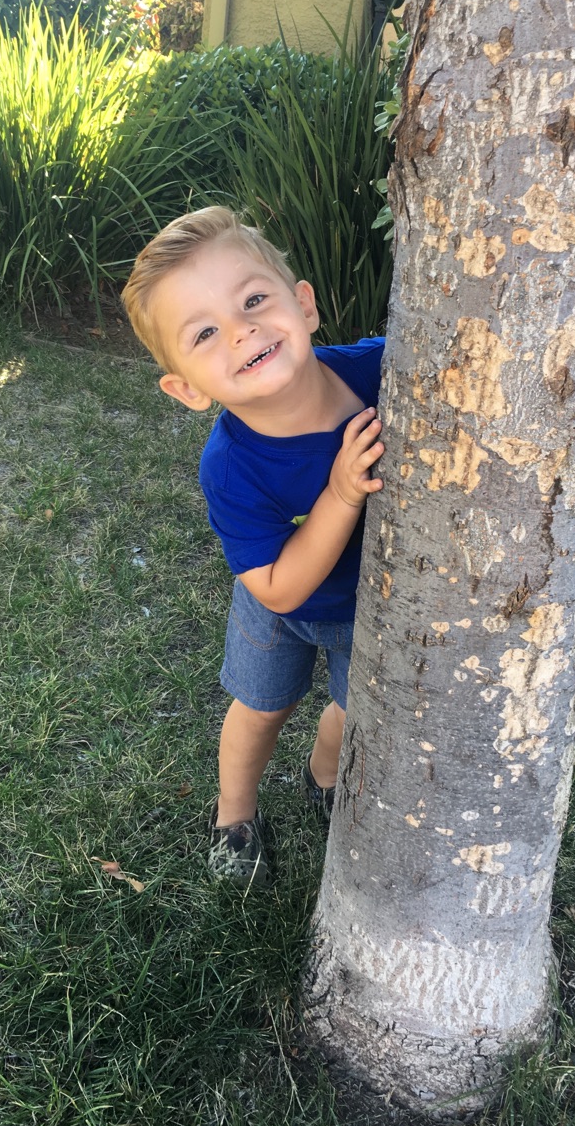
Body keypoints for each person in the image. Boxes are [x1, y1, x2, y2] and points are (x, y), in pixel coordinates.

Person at [121, 207, 385, 886]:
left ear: (305, 305)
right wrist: (341, 493)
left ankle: (323, 777)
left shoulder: (384, 374)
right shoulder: (230, 467)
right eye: (205, 333)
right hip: (275, 603)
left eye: (254, 300)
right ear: (186, 389)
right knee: (263, 708)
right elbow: (279, 589)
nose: (242, 330)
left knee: (355, 708)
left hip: (371, 606)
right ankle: (234, 816)